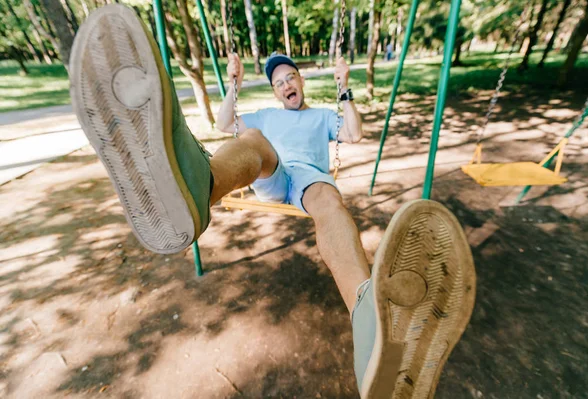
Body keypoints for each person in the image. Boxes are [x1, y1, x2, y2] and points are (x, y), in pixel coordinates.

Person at [69, 5, 476, 398]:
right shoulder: (266, 115)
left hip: (312, 181)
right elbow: (224, 123)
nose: (286, 84)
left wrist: (344, 87)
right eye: (279, 81)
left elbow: (352, 133)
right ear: (274, 90)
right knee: (254, 142)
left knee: (330, 206)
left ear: (301, 81)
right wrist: (232, 84)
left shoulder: (320, 118)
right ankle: (196, 187)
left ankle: (369, 325)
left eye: (291, 77)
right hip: (271, 171)